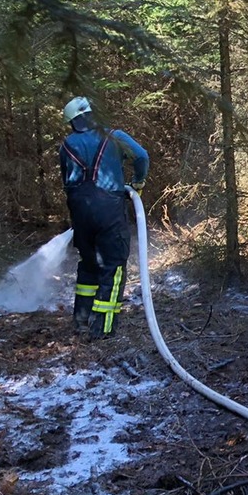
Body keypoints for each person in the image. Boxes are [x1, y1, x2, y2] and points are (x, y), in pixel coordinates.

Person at [58, 96, 149, 340]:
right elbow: (141, 157)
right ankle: (104, 330)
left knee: (89, 265)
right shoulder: (114, 136)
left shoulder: (66, 145)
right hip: (109, 210)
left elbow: (66, 180)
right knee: (114, 266)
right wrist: (137, 183)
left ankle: (81, 322)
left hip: (80, 213)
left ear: (72, 123)